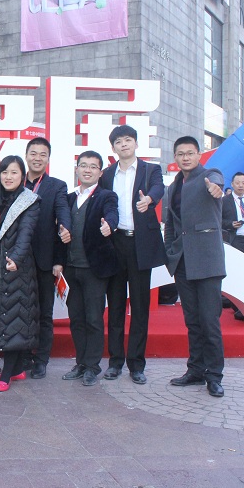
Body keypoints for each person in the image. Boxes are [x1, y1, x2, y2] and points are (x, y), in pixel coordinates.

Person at [99, 125, 166, 385]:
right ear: (113, 148)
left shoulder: (150, 170)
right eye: (119, 141)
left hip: (140, 244)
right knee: (115, 306)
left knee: (139, 307)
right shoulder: (107, 175)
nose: (124, 145)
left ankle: (136, 364)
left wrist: (149, 199)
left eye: (128, 140)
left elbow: (159, 188)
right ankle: (115, 362)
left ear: (136, 144)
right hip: (115, 244)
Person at [163, 136, 226, 398]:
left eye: (190, 153)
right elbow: (170, 225)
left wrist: (217, 188)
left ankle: (214, 375)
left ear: (199, 155)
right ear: (175, 158)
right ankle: (196, 370)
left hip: (207, 260)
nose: (185, 158)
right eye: (181, 154)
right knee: (192, 321)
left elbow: (218, 181)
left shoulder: (209, 176)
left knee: (209, 321)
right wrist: (170, 253)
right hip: (182, 262)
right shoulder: (173, 187)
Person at [0, 156, 40, 392]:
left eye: (14, 172)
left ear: (22, 176)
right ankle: (18, 369)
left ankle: (7, 374)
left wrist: (16, 259)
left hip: (16, 268)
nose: (8, 177)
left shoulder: (29, 201)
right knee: (4, 315)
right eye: (4, 172)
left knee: (14, 318)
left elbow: (26, 233)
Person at [60, 151, 119, 386]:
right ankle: (81, 363)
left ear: (100, 172)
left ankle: (92, 366)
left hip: (94, 269)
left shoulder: (106, 196)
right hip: (70, 268)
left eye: (93, 167)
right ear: (76, 169)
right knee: (76, 318)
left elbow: (112, 214)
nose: (87, 170)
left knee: (94, 318)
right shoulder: (68, 198)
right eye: (83, 165)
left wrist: (110, 225)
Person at [23, 137, 71, 379]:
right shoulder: (14, 180)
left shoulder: (56, 186)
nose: (37, 158)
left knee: (44, 313)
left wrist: (65, 227)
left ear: (48, 159)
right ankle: (22, 356)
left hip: (44, 260)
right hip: (18, 260)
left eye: (43, 154)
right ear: (26, 156)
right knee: (21, 311)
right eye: (33, 153)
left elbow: (62, 211)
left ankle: (41, 359)